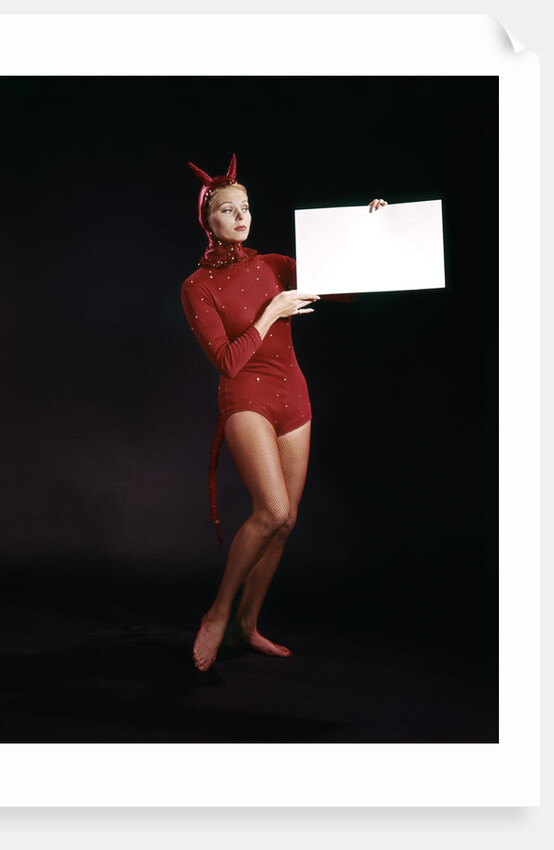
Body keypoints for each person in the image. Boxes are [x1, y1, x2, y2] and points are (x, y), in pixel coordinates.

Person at [181, 154, 386, 672]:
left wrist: (366, 229)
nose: (241, 216)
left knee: (286, 521)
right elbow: (227, 362)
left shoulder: (273, 264)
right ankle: (218, 612)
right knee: (270, 510)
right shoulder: (196, 287)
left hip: (294, 396)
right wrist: (273, 311)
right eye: (228, 210)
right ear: (208, 221)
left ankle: (247, 627)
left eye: (245, 207)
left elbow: (346, 289)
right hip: (245, 397)